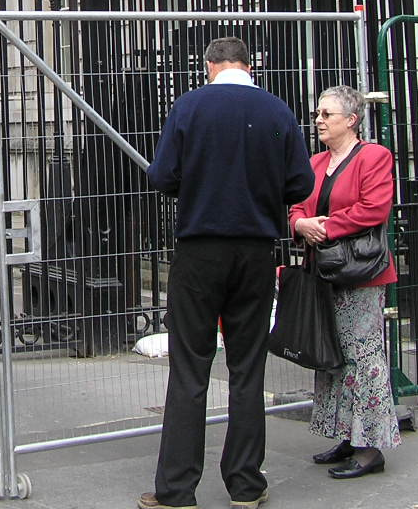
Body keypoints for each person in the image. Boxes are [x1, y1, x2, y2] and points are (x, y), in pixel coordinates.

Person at [139, 37, 313, 509]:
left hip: (200, 249)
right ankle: (245, 484)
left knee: (190, 367)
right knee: (247, 367)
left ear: (210, 65)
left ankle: (176, 489)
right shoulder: (277, 111)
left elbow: (161, 177)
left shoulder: (190, 107)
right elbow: (301, 182)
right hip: (256, 249)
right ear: (249, 65)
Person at [288, 85, 401, 479]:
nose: (318, 120)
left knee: (363, 356)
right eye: (318, 113)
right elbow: (297, 204)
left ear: (351, 120)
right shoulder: (316, 162)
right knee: (332, 354)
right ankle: (347, 435)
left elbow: (374, 207)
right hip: (324, 271)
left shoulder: (374, 157)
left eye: (327, 115)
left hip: (361, 273)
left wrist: (326, 228)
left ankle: (371, 448)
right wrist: (300, 223)